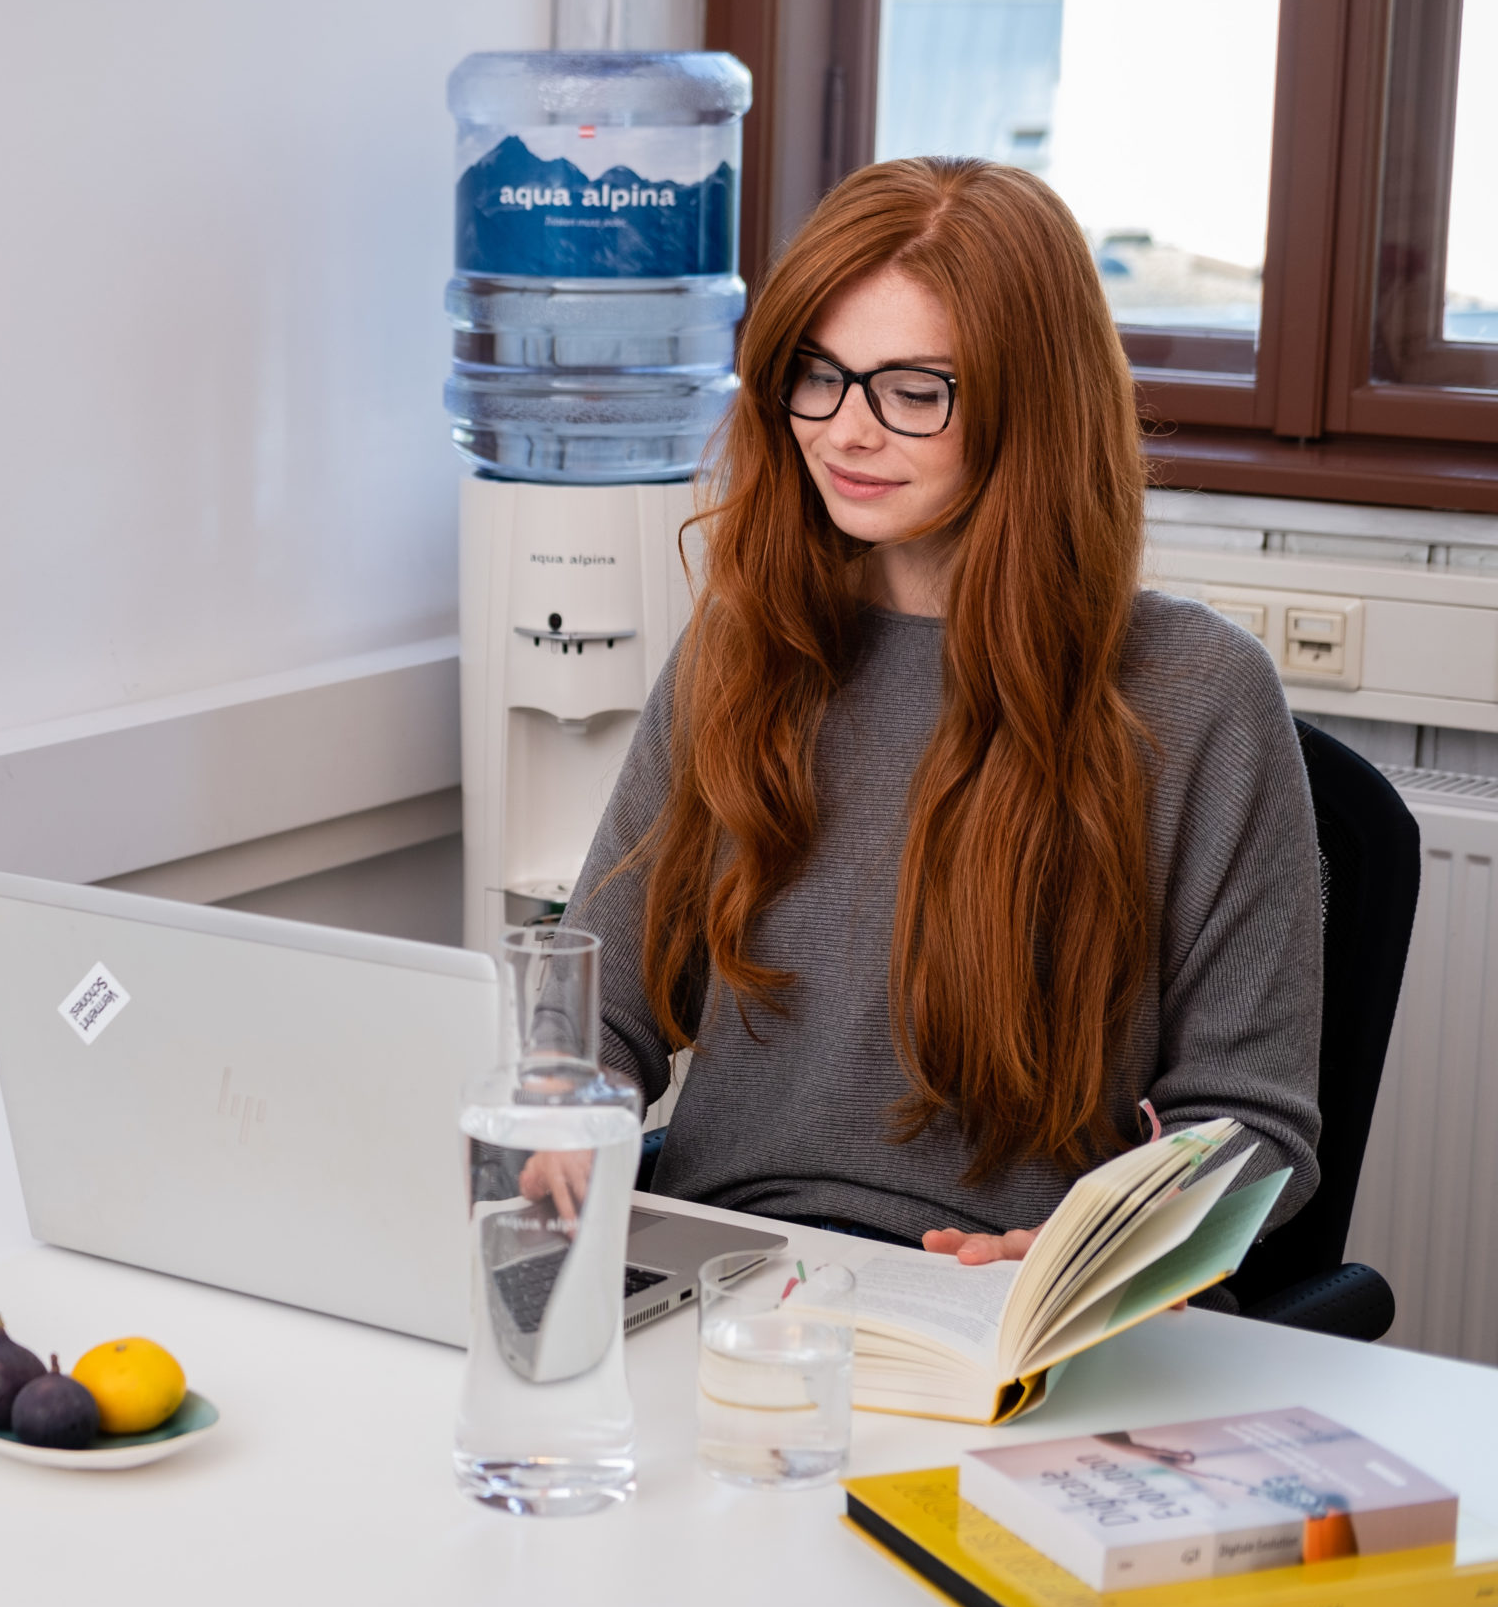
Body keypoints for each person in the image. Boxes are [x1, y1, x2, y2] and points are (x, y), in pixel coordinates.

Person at [540, 156, 1322, 1269]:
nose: (845, 432)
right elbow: (595, 1012)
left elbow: (1254, 1130)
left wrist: (1092, 1248)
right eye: (816, 374)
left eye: (912, 392)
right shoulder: (741, 646)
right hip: (726, 1284)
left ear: (1033, 410)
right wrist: (566, 1114)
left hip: (1006, 1306)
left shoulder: (1198, 695)